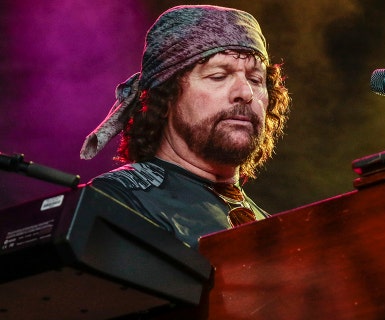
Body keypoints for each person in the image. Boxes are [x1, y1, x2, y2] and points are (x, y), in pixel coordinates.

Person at [79, 5, 291, 249]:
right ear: (166, 97)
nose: (246, 92)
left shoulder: (272, 225)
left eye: (255, 80)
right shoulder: (117, 200)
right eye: (218, 76)